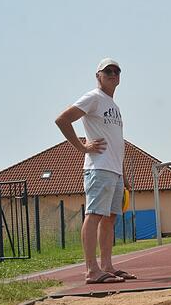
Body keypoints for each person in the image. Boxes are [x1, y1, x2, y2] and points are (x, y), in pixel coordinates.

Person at [55, 58, 136, 284]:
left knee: (110, 218)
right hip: (98, 168)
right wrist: (82, 147)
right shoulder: (93, 98)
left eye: (117, 71)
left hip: (114, 170)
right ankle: (92, 270)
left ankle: (107, 266)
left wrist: (123, 174)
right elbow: (62, 120)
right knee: (95, 215)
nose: (113, 74)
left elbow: (115, 142)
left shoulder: (114, 106)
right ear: (98, 75)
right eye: (107, 71)